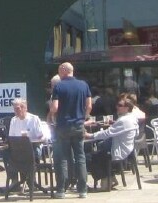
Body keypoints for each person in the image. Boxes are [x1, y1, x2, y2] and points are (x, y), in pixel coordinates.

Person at [50, 62, 92, 198]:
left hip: (63, 125)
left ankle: (61, 189)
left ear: (63, 71)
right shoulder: (83, 85)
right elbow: (89, 106)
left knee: (62, 158)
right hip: (79, 125)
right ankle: (82, 190)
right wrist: (84, 118)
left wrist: (52, 116)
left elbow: (55, 107)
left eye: (59, 71)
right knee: (80, 157)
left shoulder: (59, 86)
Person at [84, 94, 140, 190]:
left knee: (88, 157)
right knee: (98, 152)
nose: (116, 107)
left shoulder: (123, 120)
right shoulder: (132, 118)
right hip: (127, 148)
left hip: (119, 150)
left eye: (119, 105)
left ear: (127, 108)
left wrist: (90, 136)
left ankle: (106, 182)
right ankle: (110, 178)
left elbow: (107, 133)